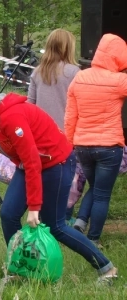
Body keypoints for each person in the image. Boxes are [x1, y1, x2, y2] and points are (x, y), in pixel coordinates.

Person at [0, 80, 117, 283]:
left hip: (56, 163)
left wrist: (34, 207)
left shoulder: (11, 118)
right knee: (8, 214)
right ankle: (21, 269)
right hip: (29, 166)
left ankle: (106, 267)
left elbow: (33, 161)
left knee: (55, 225)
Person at [65, 33, 127, 246]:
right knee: (102, 194)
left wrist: (69, 143)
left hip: (82, 146)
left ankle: (81, 222)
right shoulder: (120, 81)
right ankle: (93, 239)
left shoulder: (79, 77)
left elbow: (70, 116)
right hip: (110, 147)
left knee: (95, 187)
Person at [27, 28, 84, 226]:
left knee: (42, 177)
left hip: (39, 137)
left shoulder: (37, 72)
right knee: (71, 179)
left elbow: (30, 105)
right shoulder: (74, 72)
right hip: (67, 136)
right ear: (69, 47)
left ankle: (42, 216)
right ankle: (64, 218)